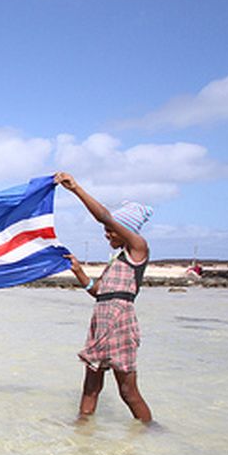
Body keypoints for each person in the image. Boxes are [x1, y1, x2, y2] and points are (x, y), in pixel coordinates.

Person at [54, 171, 153, 422]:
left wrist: (76, 189)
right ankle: (82, 434)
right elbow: (98, 291)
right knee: (90, 387)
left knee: (128, 391)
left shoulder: (138, 249)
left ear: (126, 231)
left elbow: (104, 216)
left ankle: (151, 430)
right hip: (100, 324)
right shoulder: (116, 259)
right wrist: (78, 271)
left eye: (111, 230)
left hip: (120, 324)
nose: (106, 233)